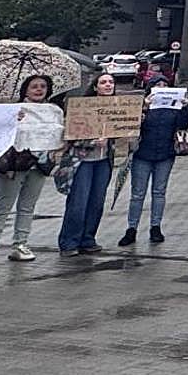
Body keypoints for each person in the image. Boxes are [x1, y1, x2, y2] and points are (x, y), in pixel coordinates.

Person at [0, 74, 62, 267]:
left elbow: (59, 135)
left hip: (40, 164)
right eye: (34, 86)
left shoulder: (55, 111)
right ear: (25, 89)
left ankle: (20, 244)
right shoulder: (14, 110)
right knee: (2, 206)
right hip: (14, 165)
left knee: (27, 207)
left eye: (43, 86)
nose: (39, 89)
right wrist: (11, 119)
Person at [118, 78, 188, 246]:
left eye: (165, 86)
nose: (162, 88)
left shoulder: (174, 107)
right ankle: (131, 228)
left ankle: (155, 227)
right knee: (137, 194)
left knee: (159, 192)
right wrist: (143, 107)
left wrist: (186, 107)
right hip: (142, 154)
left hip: (165, 154)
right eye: (158, 86)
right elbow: (130, 124)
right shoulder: (144, 106)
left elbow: (183, 125)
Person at [57, 72, 119, 257]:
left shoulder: (119, 107)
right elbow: (71, 135)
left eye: (111, 82)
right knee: (79, 202)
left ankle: (88, 239)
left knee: (96, 202)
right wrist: (92, 141)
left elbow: (125, 127)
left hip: (103, 161)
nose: (108, 85)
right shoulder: (82, 107)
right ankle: (69, 242)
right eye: (103, 82)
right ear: (95, 87)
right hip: (82, 161)